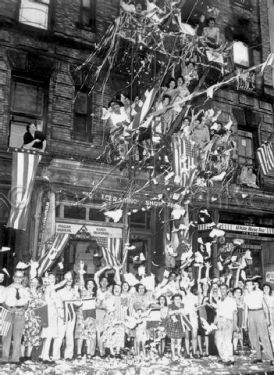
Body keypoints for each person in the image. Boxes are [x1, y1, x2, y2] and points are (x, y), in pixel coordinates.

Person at [1, 269, 29, 364]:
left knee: (18, 336)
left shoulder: (25, 290)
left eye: (20, 277)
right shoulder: (7, 288)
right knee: (6, 336)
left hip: (20, 313)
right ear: (13, 277)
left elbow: (27, 302)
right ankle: (5, 357)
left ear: (22, 278)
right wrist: (9, 308)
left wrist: (22, 309)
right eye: (16, 276)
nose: (18, 279)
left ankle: (15, 358)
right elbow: (2, 301)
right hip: (9, 312)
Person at [244, 279, 274, 365]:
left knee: (264, 336)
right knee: (253, 337)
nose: (249, 286)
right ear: (246, 287)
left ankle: (271, 358)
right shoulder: (246, 296)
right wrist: (245, 322)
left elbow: (265, 306)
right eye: (247, 285)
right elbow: (246, 309)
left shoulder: (259, 293)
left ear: (253, 285)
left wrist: (267, 318)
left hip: (259, 312)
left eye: (250, 284)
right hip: (251, 314)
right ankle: (258, 357)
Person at [52, 271, 81, 361]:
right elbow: (57, 303)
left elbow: (78, 303)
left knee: (69, 335)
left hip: (71, 314)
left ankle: (68, 355)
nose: (69, 280)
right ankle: (55, 355)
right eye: (67, 278)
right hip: (62, 314)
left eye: (70, 279)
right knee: (60, 335)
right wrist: (60, 312)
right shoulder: (59, 291)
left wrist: (76, 294)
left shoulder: (75, 291)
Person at [76, 267, 97, 360]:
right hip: (81, 315)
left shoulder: (96, 294)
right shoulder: (84, 292)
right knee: (80, 334)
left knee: (89, 335)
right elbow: (81, 284)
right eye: (88, 283)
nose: (90, 285)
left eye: (91, 284)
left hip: (91, 316)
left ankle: (88, 353)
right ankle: (79, 353)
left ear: (94, 286)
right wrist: (81, 273)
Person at [22, 277, 45, 360]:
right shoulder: (26, 290)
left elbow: (42, 304)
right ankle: (22, 356)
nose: (33, 283)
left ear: (38, 283)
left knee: (33, 337)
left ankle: (29, 356)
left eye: (35, 282)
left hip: (36, 317)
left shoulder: (39, 292)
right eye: (32, 281)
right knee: (25, 336)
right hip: (28, 316)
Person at [214, 284, 237, 365]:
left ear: (227, 290)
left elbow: (234, 314)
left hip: (228, 322)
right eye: (221, 289)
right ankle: (224, 357)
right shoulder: (219, 301)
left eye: (224, 289)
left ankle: (229, 359)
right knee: (218, 341)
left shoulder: (231, 300)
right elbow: (217, 314)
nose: (222, 290)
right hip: (219, 322)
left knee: (227, 341)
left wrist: (235, 325)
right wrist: (213, 324)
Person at [165, 294, 185, 361]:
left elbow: (183, 313)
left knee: (179, 341)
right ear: (173, 300)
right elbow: (169, 314)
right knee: (173, 340)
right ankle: (173, 354)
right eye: (176, 299)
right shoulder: (170, 306)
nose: (177, 300)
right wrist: (177, 312)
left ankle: (178, 354)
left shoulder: (182, 305)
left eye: (179, 299)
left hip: (180, 324)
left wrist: (175, 312)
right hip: (172, 324)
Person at [262, 283, 274, 350]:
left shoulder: (272, 298)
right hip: (263, 316)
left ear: (270, 290)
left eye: (267, 288)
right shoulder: (261, 297)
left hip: (272, 316)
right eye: (264, 288)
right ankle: (266, 349)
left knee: (272, 333)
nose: (266, 289)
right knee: (264, 333)